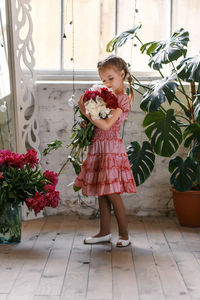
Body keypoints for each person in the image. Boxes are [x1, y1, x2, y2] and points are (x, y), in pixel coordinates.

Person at [74, 55, 136, 247]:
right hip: (98, 146)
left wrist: (87, 112)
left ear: (122, 74)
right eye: (103, 80)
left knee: (112, 193)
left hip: (111, 149)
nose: (107, 83)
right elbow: (97, 123)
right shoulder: (103, 96)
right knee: (102, 191)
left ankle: (124, 235)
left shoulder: (123, 99)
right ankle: (104, 232)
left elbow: (107, 125)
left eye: (111, 78)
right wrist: (87, 122)